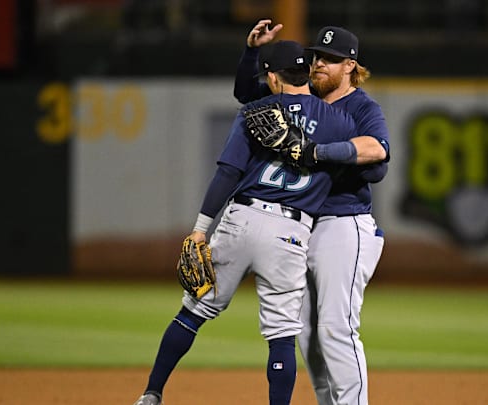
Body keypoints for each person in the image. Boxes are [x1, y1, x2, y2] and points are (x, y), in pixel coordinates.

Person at [133, 40, 361, 405]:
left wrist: (199, 229)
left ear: (272, 76)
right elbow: (371, 165)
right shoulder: (341, 120)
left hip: (241, 218)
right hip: (291, 232)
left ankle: (152, 393)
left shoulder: (256, 111)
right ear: (306, 73)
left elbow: (227, 173)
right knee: (283, 335)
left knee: (194, 310)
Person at [234, 20, 390, 405]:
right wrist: (253, 52)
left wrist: (319, 152)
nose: (320, 64)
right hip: (300, 227)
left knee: (336, 326)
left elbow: (378, 155)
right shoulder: (302, 99)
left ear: (351, 66)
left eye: (331, 59)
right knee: (305, 331)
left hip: (344, 223)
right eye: (317, 56)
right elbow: (245, 93)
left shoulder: (361, 107)